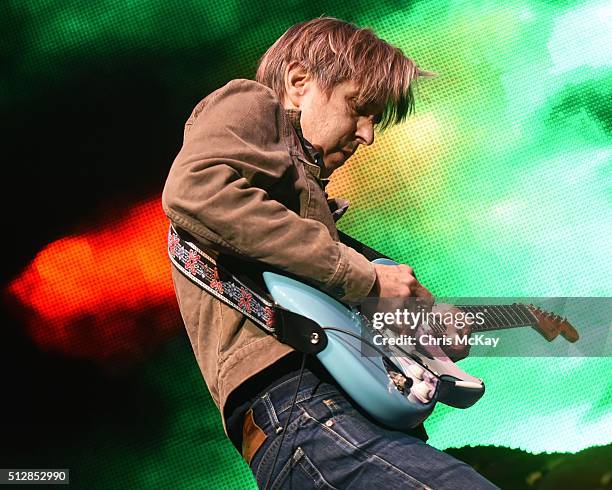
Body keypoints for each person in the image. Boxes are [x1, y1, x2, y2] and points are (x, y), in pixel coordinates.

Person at [162, 17, 496, 489]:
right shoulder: (251, 103)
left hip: (331, 424)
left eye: (376, 119)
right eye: (359, 107)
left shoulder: (304, 230)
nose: (368, 135)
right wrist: (367, 279)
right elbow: (195, 191)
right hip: (305, 413)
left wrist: (430, 331)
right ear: (299, 83)